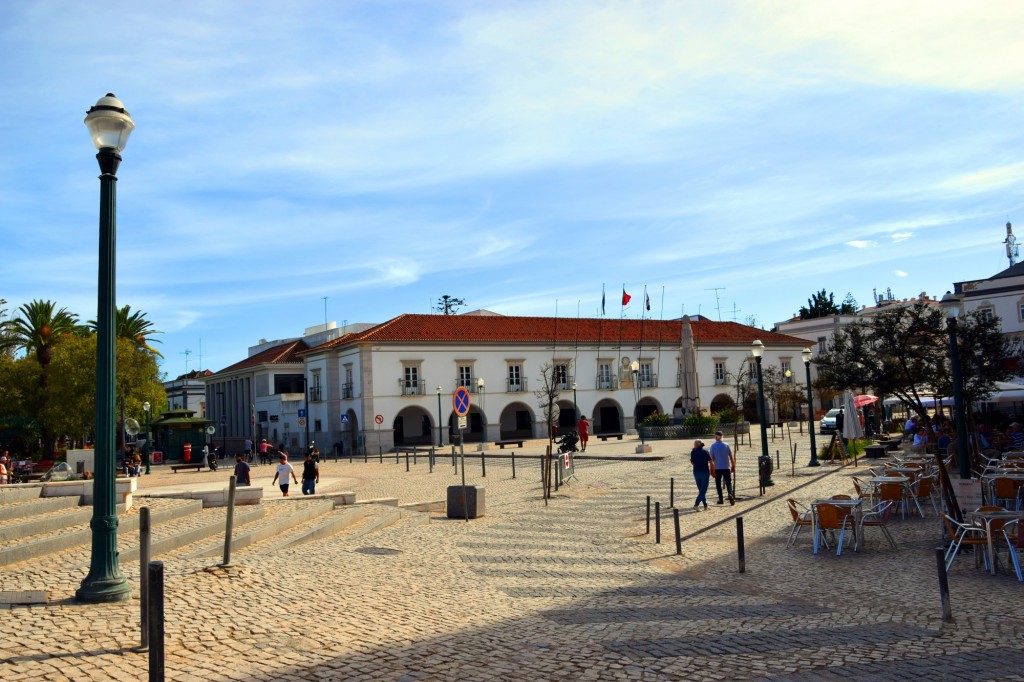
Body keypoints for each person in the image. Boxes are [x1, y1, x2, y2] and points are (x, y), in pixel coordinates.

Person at [709, 430, 735, 505]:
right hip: (726, 467)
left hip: (717, 467)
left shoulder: (713, 446)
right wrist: (733, 465)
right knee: (728, 482)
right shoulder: (726, 445)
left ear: (716, 437)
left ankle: (721, 499)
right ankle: (730, 494)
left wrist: (711, 468)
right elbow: (730, 456)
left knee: (718, 483)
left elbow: (712, 458)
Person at [690, 439, 712, 511]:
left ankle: (705, 505)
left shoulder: (693, 452)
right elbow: (710, 461)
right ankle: (696, 504)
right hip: (704, 471)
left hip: (696, 472)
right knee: (703, 490)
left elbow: (692, 462)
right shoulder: (705, 452)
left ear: (696, 445)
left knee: (701, 490)